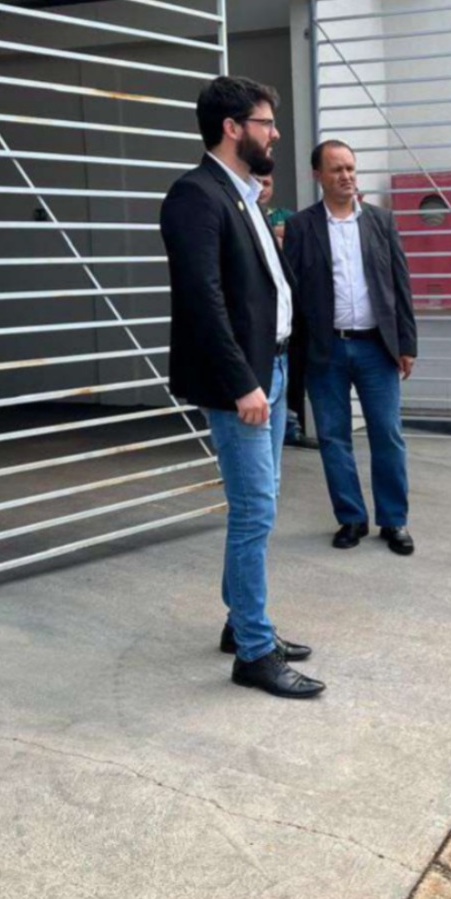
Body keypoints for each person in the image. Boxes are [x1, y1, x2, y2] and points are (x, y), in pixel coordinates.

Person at [160, 74, 324, 699]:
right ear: (233, 128)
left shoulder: (243, 195)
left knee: (263, 504)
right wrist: (242, 384)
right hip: (245, 384)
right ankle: (254, 651)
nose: (275, 133)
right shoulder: (194, 197)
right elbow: (201, 302)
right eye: (266, 122)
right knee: (255, 510)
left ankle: (241, 623)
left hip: (272, 371)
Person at [284, 140, 418, 555]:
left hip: (376, 348)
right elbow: (292, 291)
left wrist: (406, 343)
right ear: (318, 176)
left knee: (387, 435)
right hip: (326, 350)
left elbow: (400, 285)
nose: (346, 176)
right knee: (333, 437)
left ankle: (393, 521)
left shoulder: (381, 222)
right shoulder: (303, 227)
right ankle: (351, 518)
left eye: (350, 168)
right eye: (337, 169)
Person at [258, 174, 318, 451]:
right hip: (261, 312)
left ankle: (291, 428)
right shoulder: (241, 211)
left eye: (267, 183)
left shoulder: (283, 215)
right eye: (256, 182)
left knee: (291, 374)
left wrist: (280, 232)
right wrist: (279, 233)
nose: (261, 188)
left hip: (290, 312)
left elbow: (302, 231)